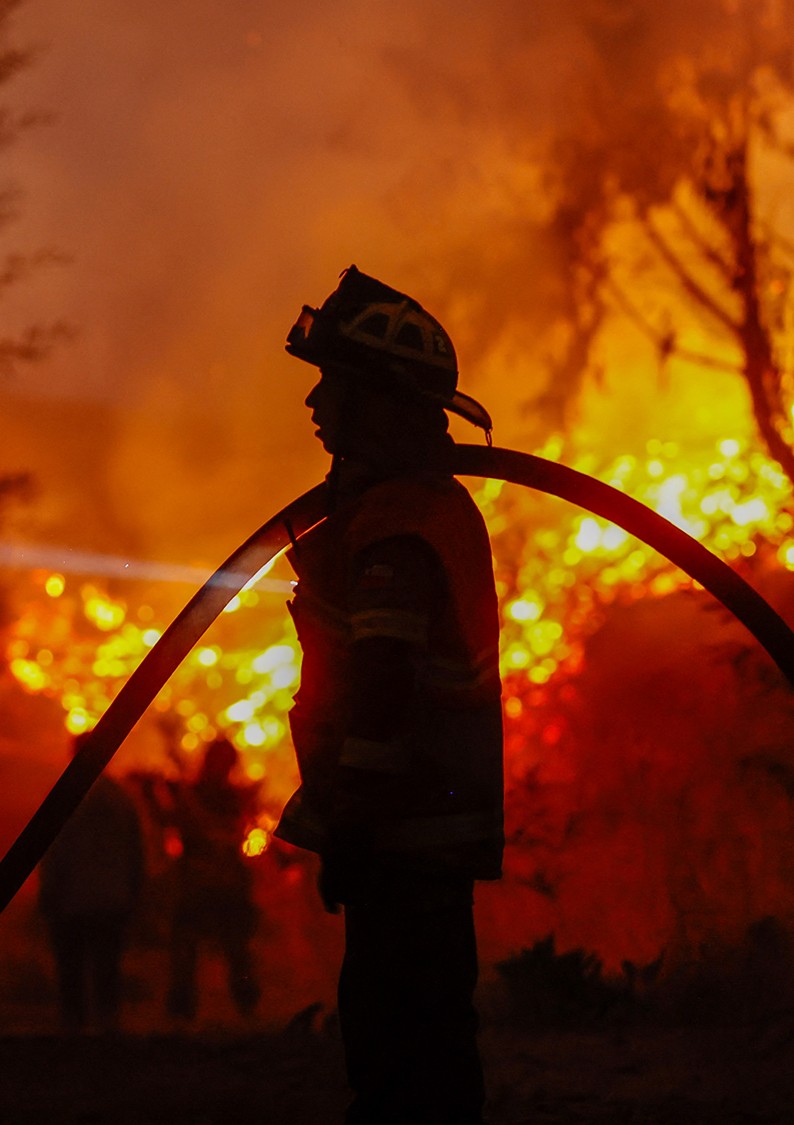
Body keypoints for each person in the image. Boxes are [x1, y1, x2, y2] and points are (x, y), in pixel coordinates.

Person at [271, 266, 505, 1125]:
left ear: (381, 403)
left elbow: (382, 686)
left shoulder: (399, 530)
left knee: (403, 1053)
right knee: (415, 1041)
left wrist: (355, 826)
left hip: (404, 834)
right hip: (413, 837)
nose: (317, 402)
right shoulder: (397, 511)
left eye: (333, 382)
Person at [36, 732, 146, 1034]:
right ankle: (107, 1030)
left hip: (72, 898)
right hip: (112, 897)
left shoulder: (64, 796)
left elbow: (52, 849)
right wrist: (134, 893)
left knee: (71, 968)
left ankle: (73, 1031)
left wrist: (49, 890)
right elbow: (136, 852)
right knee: (106, 967)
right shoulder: (120, 797)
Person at [155, 737, 262, 1023]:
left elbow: (182, 826)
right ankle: (196, 1014)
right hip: (213, 884)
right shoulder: (228, 796)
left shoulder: (221, 796)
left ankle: (238, 1011)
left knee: (225, 950)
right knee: (203, 951)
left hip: (207, 884)